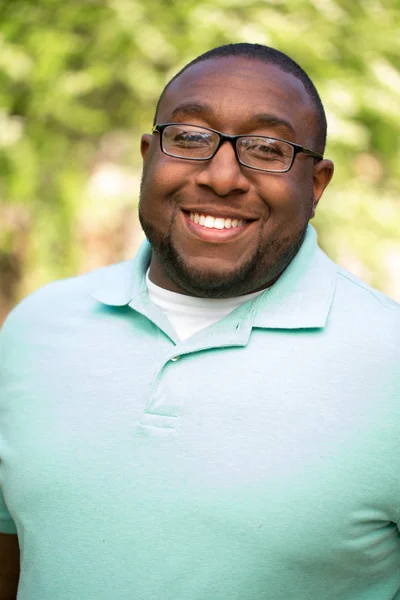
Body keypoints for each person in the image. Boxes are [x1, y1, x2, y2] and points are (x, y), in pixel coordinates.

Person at [0, 42, 399, 600]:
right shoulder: (36, 328)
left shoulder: (391, 361)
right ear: (148, 156)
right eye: (189, 137)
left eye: (267, 147)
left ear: (317, 185)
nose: (221, 176)